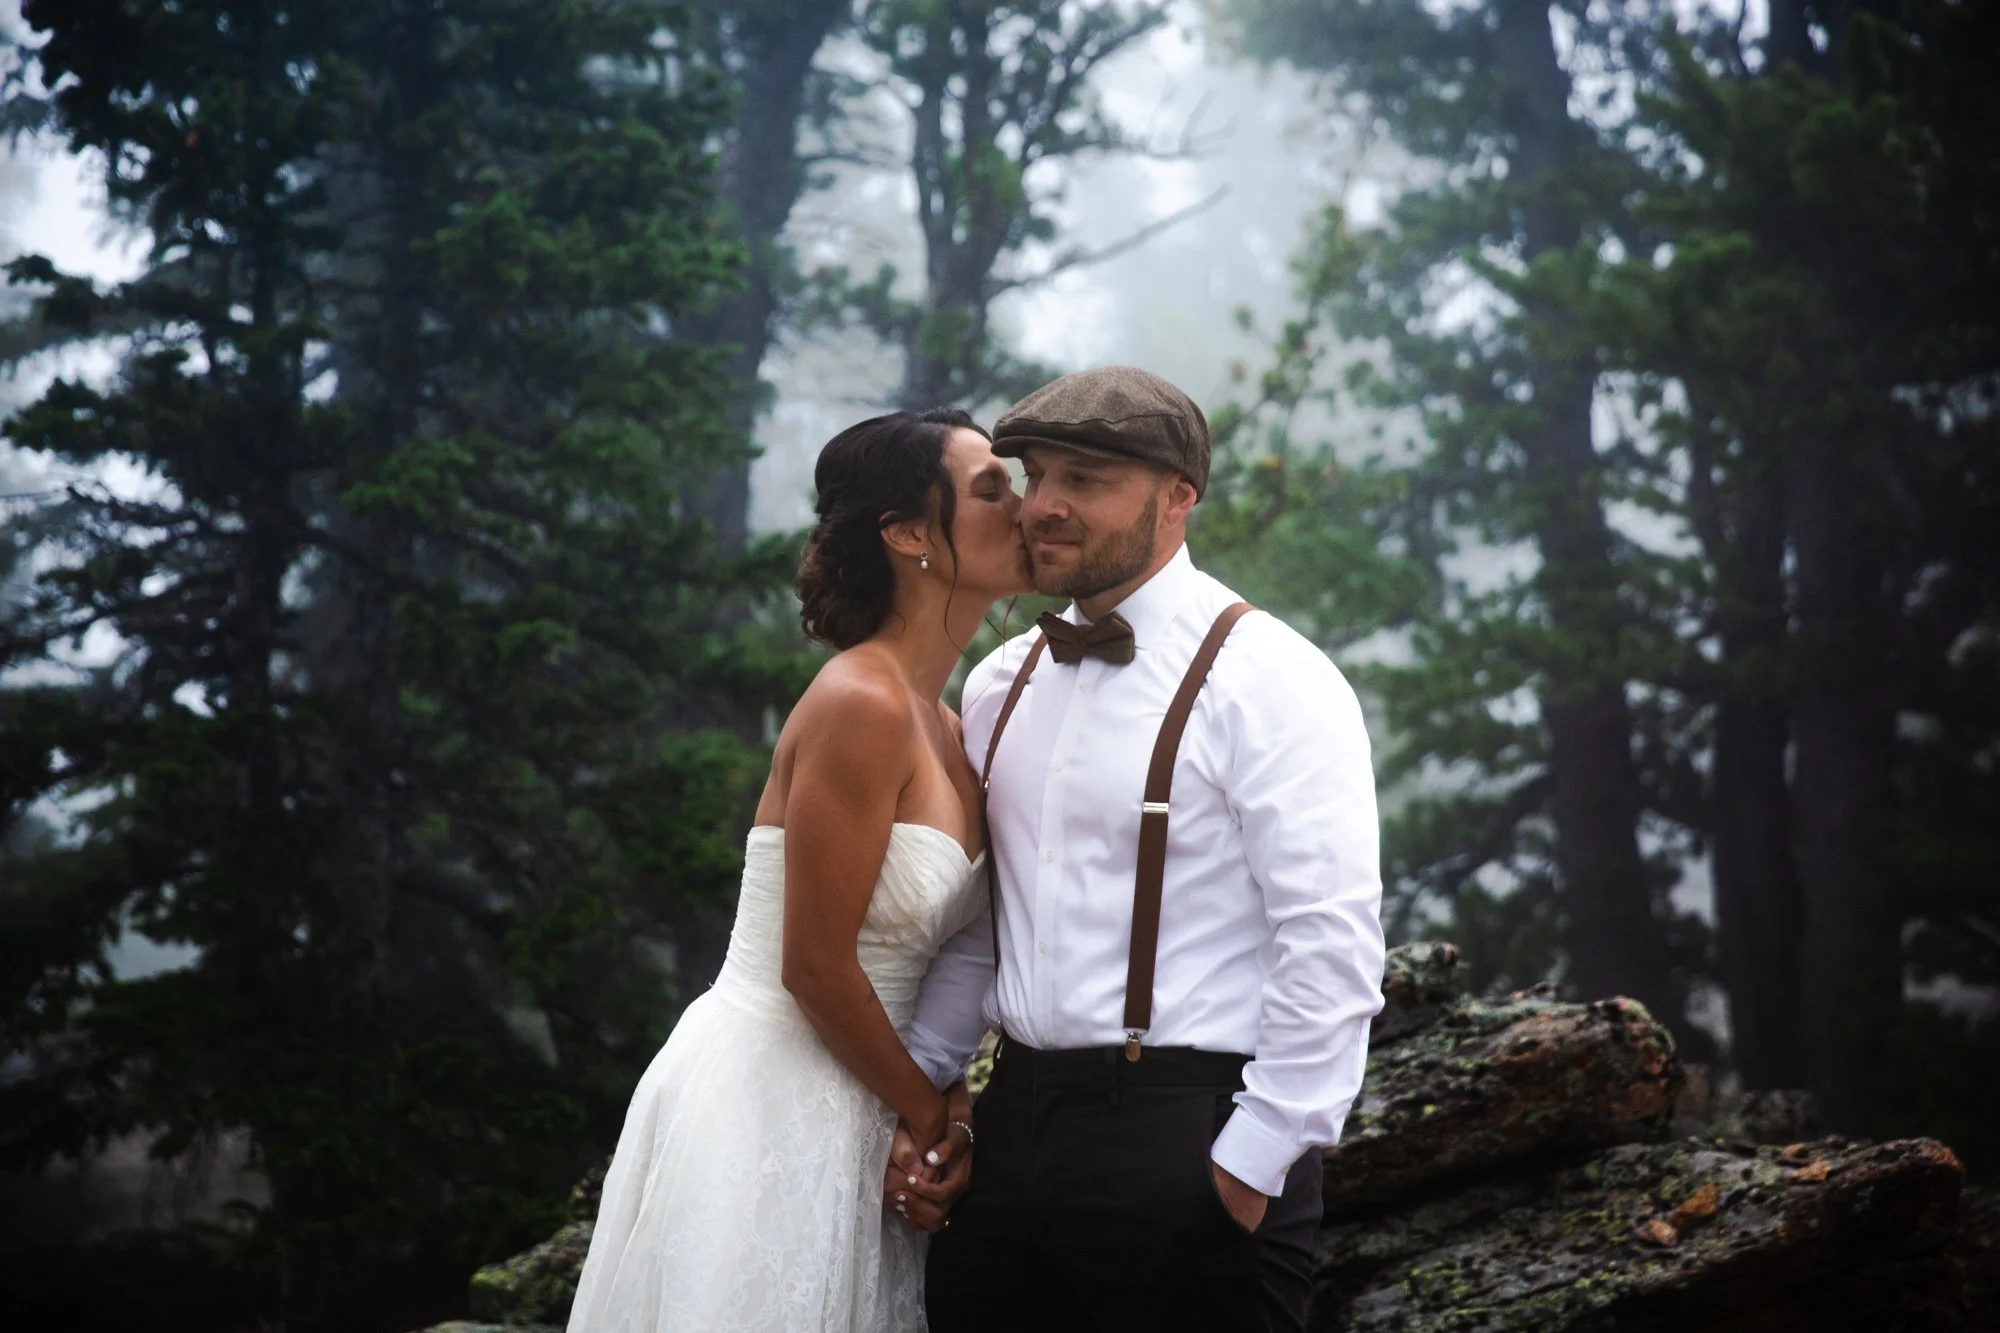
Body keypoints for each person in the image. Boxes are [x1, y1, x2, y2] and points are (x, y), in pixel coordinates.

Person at [898, 366, 1387, 1332]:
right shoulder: (1002, 681)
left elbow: (1329, 945)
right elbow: (978, 927)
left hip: (1188, 1131)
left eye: (1085, 478)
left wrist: (1245, 1167)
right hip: (1011, 1133)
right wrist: (924, 1103)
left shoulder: (1273, 677)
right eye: (1036, 475)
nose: (1044, 505)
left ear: (1178, 497)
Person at [567, 409, 1029, 1333]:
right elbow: (813, 962)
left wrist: (945, 1108)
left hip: (877, 1101)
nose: (1022, 508)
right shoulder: (859, 702)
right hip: (768, 1096)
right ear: (907, 535)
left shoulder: (952, 724)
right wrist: (933, 1122)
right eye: (989, 489)